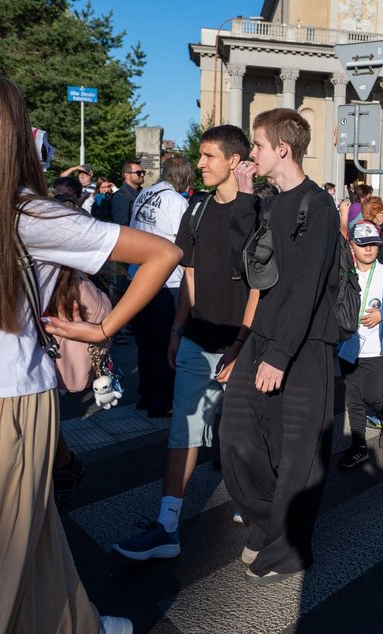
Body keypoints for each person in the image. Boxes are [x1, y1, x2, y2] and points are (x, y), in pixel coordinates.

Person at [0, 70, 180, 633]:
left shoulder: (33, 216)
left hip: (2, 408)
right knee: (24, 549)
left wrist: (103, 329)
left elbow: (161, 254)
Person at [112, 125, 258, 560]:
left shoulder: (258, 211)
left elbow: (260, 287)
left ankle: (255, 510)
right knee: (184, 433)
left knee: (244, 432)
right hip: (196, 339)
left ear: (234, 161)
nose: (200, 163)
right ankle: (167, 525)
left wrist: (241, 344)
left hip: (243, 344)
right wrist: (178, 330)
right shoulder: (195, 210)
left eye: (209, 156)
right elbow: (188, 276)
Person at [221, 108, 339, 585]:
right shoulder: (268, 202)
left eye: (258, 145)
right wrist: (245, 199)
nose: (251, 153)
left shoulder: (319, 205)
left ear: (282, 149)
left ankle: (288, 549)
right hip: (265, 337)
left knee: (298, 455)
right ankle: (265, 522)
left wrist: (280, 355)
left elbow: (306, 286)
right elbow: (244, 266)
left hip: (304, 344)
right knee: (237, 438)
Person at [336, 220, 383, 469]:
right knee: (354, 399)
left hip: (376, 347)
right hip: (348, 344)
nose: (368, 249)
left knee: (373, 396)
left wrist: (382, 314)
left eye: (373, 244)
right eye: (362, 244)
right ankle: (358, 447)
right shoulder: (344, 273)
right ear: (352, 246)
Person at [127, 156, 191, 417]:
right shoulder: (176, 201)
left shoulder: (144, 195)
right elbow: (183, 242)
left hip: (139, 275)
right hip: (167, 280)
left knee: (145, 342)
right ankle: (161, 402)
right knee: (165, 343)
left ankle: (145, 395)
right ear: (184, 176)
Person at [110, 159, 144, 226]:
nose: (142, 175)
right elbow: (121, 226)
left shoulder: (141, 193)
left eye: (143, 172)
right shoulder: (121, 196)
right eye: (138, 173)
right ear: (127, 175)